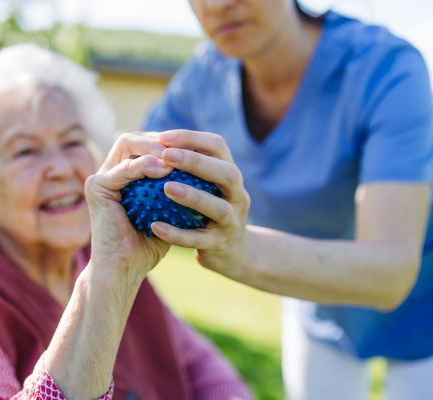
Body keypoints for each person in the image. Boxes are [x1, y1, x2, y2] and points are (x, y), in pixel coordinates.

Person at [0, 44, 253, 400]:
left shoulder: (96, 251)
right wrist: (109, 279)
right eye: (26, 151)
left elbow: (202, 370)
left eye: (71, 142)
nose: (62, 168)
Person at [143, 1, 433, 399]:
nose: (217, 5)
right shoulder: (202, 80)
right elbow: (132, 166)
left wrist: (239, 249)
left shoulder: (385, 67)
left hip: (423, 302)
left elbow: (392, 272)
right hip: (313, 296)